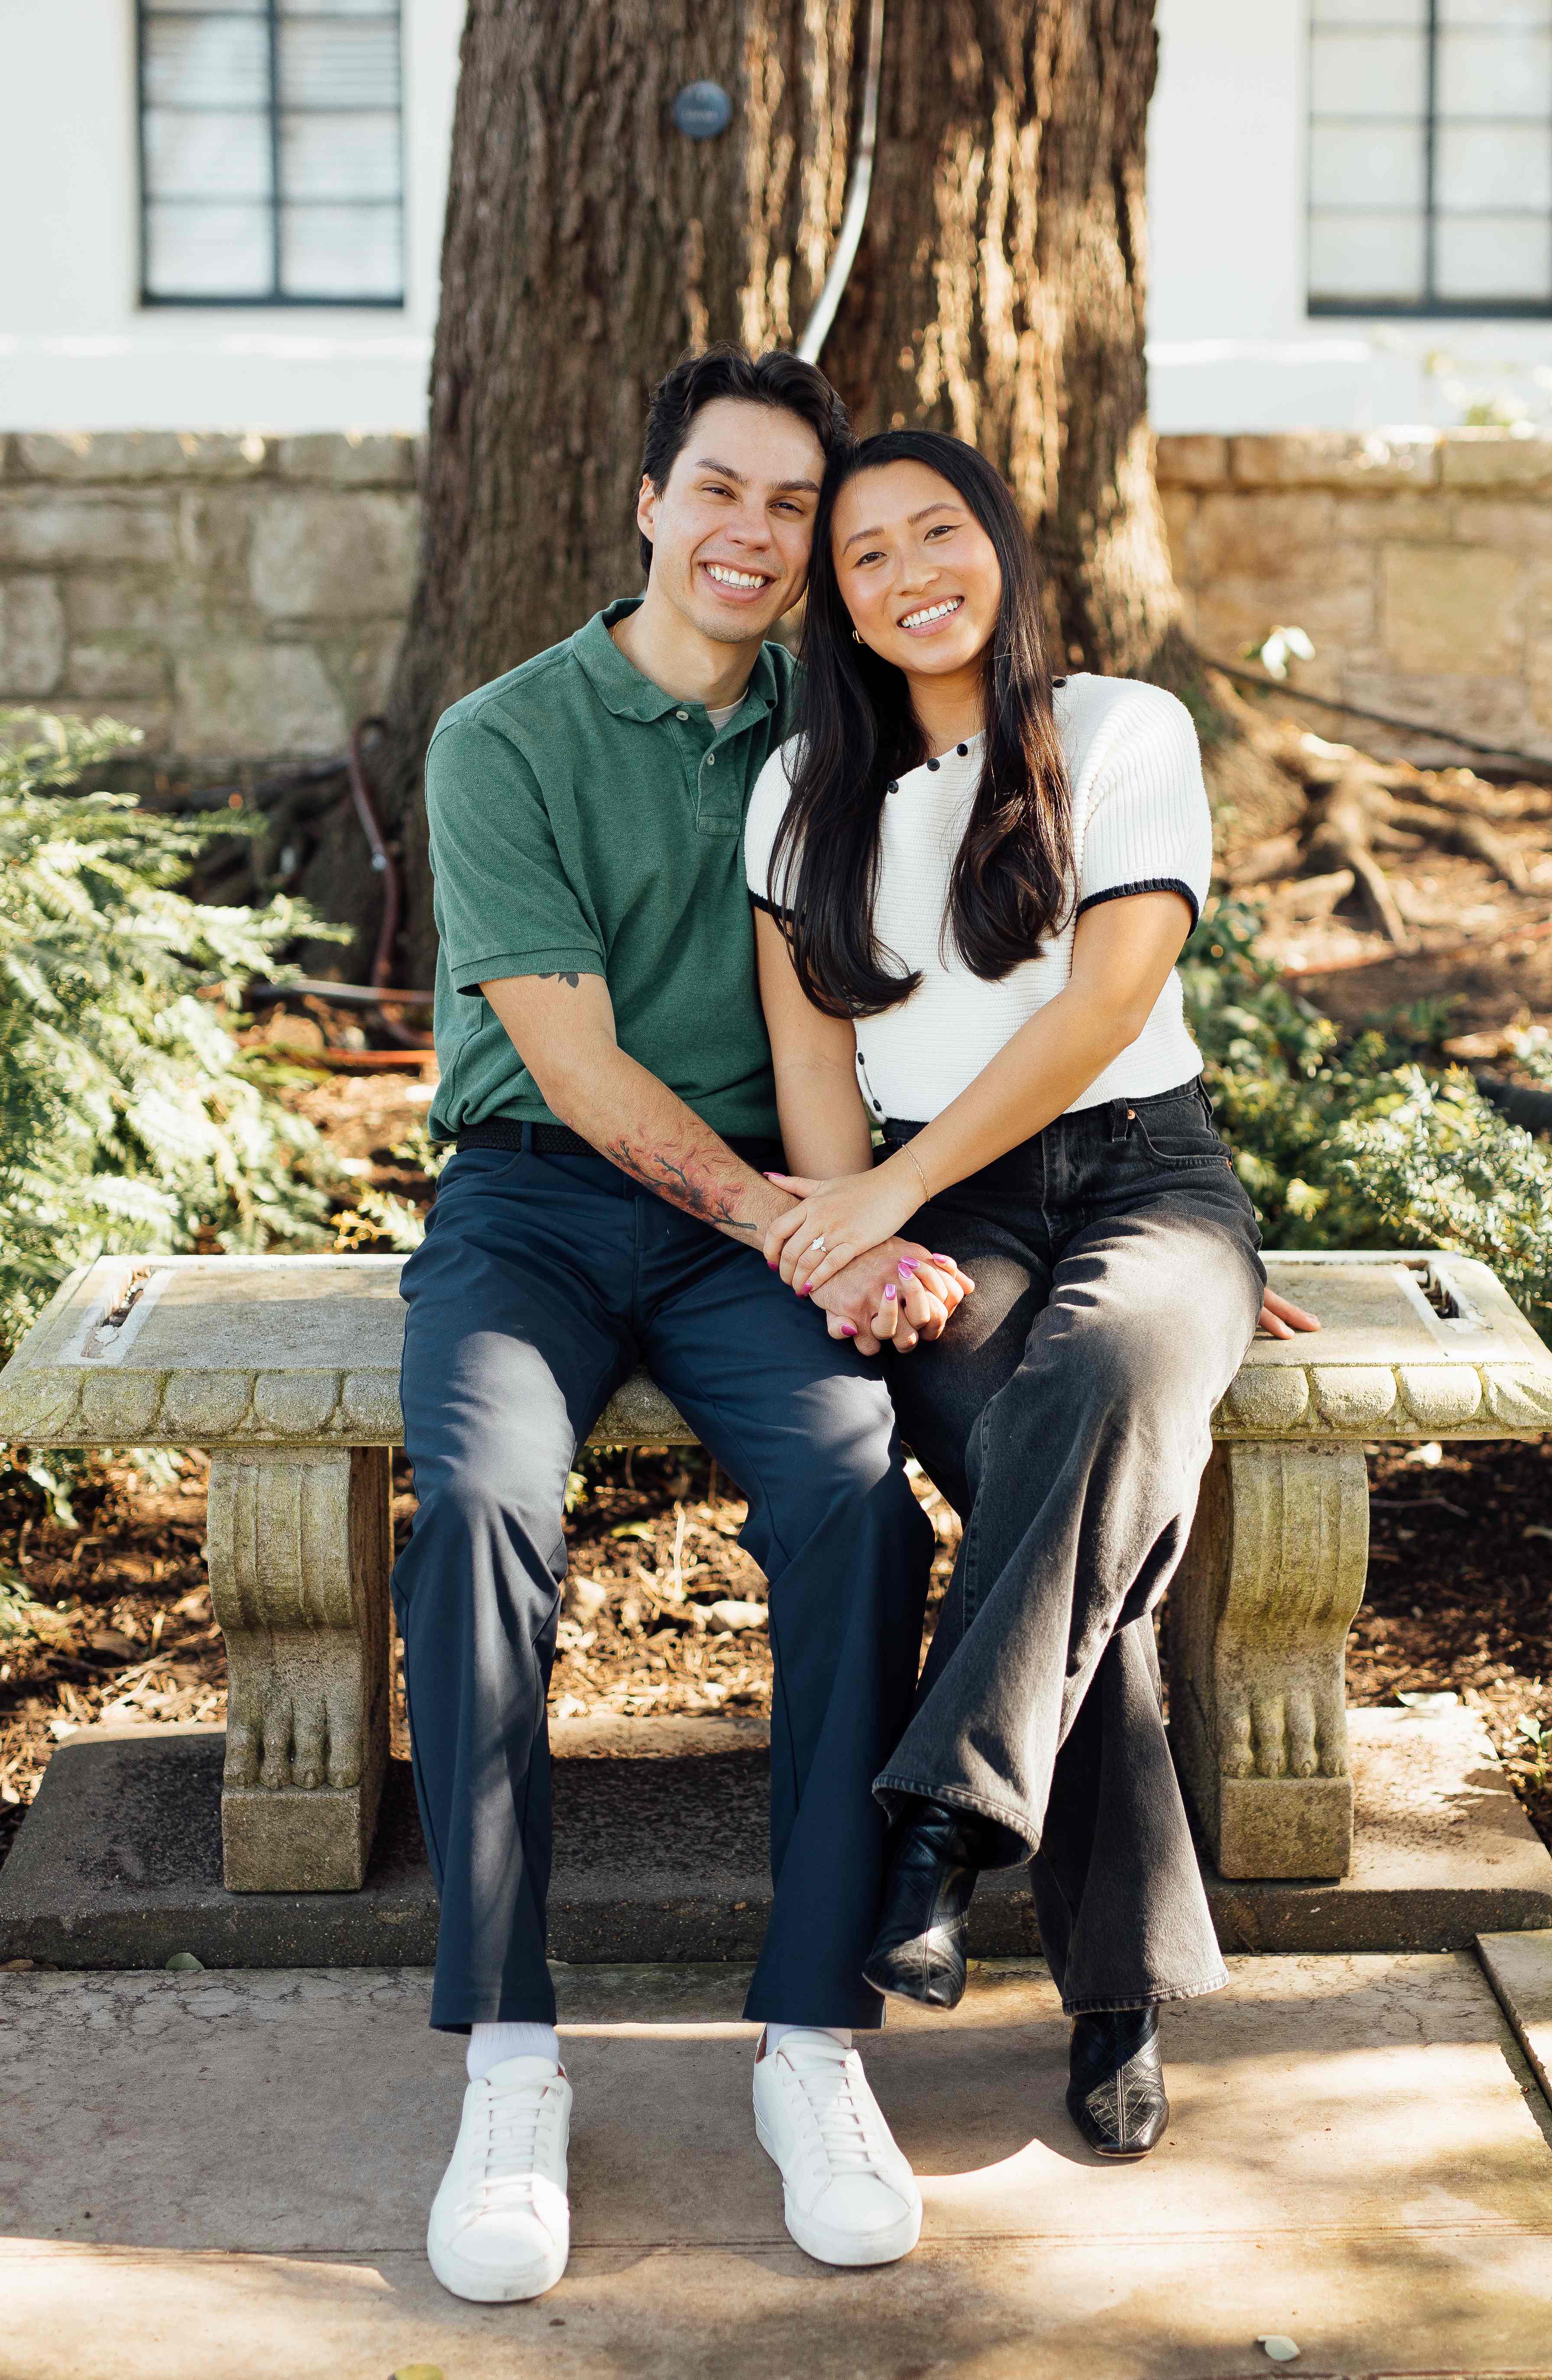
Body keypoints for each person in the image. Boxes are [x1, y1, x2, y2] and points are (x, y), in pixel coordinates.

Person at [395, 349, 985, 2303]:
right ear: (647, 503)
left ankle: (810, 2038)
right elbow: (568, 1070)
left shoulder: (841, 737)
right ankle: (508, 2048)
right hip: (545, 1200)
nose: (754, 534)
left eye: (792, 507)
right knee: (480, 1501)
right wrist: (805, 1233)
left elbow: (1017, 952)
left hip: (776, 1199)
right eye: (719, 491)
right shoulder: (504, 736)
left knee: (854, 1498)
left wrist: (1157, 1203)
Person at [745, 427, 1319, 2163]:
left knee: (1101, 1384)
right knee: (1070, 1500)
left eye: (943, 531)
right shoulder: (797, 792)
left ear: (1002, 543)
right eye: (866, 554)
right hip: (950, 1209)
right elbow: (811, 1061)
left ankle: (935, 1827)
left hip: (1144, 1172)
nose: (914, 572)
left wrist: (877, 1201)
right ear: (830, 599)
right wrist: (865, 1242)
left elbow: (1096, 1008)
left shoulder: (1118, 729)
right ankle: (1111, 1989)